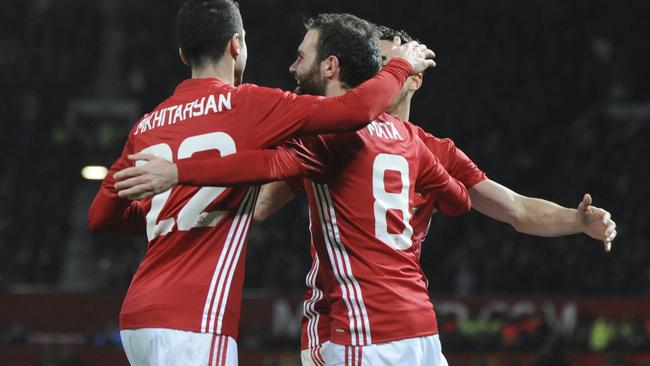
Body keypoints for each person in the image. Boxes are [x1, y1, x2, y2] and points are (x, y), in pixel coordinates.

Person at [113, 25, 618, 366]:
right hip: (370, 328)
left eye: (389, 62)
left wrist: (576, 221)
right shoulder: (400, 145)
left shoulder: (383, 143)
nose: (378, 68)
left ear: (411, 78)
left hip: (383, 326)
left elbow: (517, 209)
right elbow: (508, 210)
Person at [87, 1, 436, 364]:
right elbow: (354, 111)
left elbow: (100, 217)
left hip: (137, 317)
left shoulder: (148, 124)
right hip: (195, 319)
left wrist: (164, 207)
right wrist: (400, 65)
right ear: (236, 45)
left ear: (182, 54)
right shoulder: (247, 105)